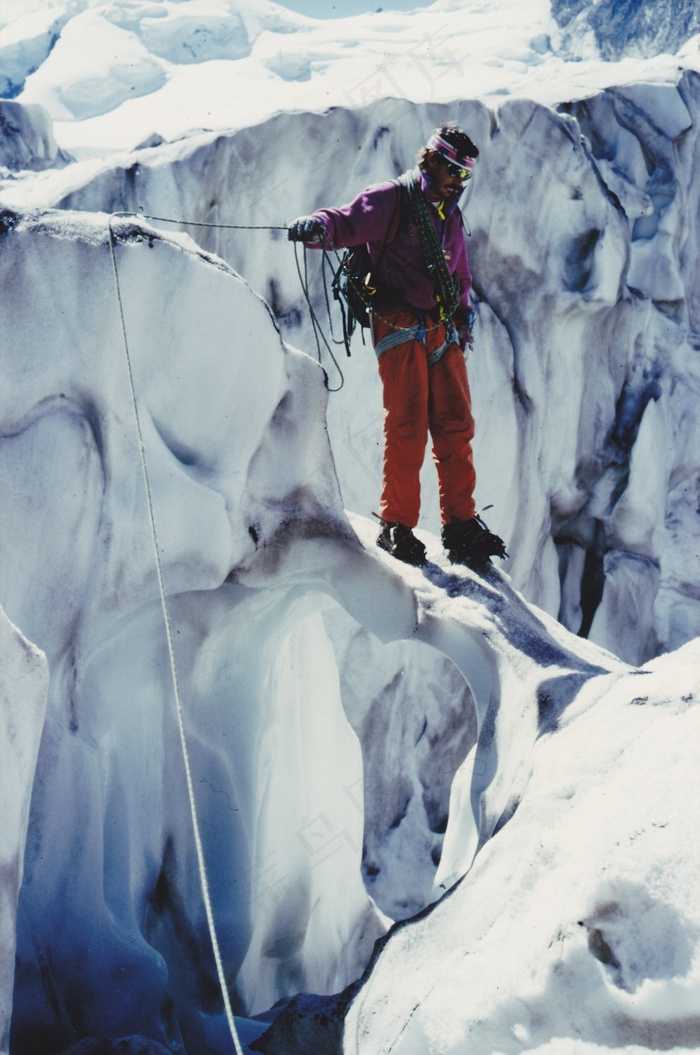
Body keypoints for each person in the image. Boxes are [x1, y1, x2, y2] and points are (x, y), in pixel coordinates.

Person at [288, 124, 506, 570]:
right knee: (407, 424)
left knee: (456, 425)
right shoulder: (392, 198)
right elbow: (346, 220)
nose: (458, 182)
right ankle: (397, 526)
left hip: (441, 327)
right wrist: (317, 227)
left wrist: (462, 318)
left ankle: (460, 525)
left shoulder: (449, 215)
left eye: (465, 175)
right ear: (431, 160)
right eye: (453, 170)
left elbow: (460, 275)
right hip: (399, 324)